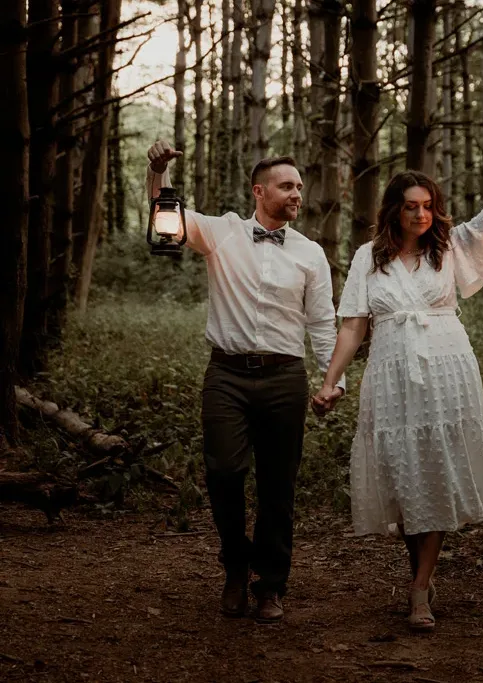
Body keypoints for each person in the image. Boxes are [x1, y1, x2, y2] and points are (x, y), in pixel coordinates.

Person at [312, 139, 483, 632]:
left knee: (436, 472)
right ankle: (419, 577)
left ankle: (420, 588)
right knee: (405, 479)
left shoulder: (449, 249)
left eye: (428, 207)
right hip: (391, 372)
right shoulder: (369, 258)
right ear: (394, 211)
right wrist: (329, 382)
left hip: (447, 367)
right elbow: (352, 327)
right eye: (411, 207)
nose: (421, 215)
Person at [146, 140, 344, 623]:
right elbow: (168, 215)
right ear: (259, 191)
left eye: (299, 186)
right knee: (222, 472)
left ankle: (271, 585)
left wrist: (330, 380)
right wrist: (157, 173)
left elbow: (321, 324)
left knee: (279, 486)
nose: (297, 193)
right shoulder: (222, 233)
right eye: (286, 186)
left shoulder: (311, 253)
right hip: (227, 375)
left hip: (285, 379)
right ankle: (235, 566)